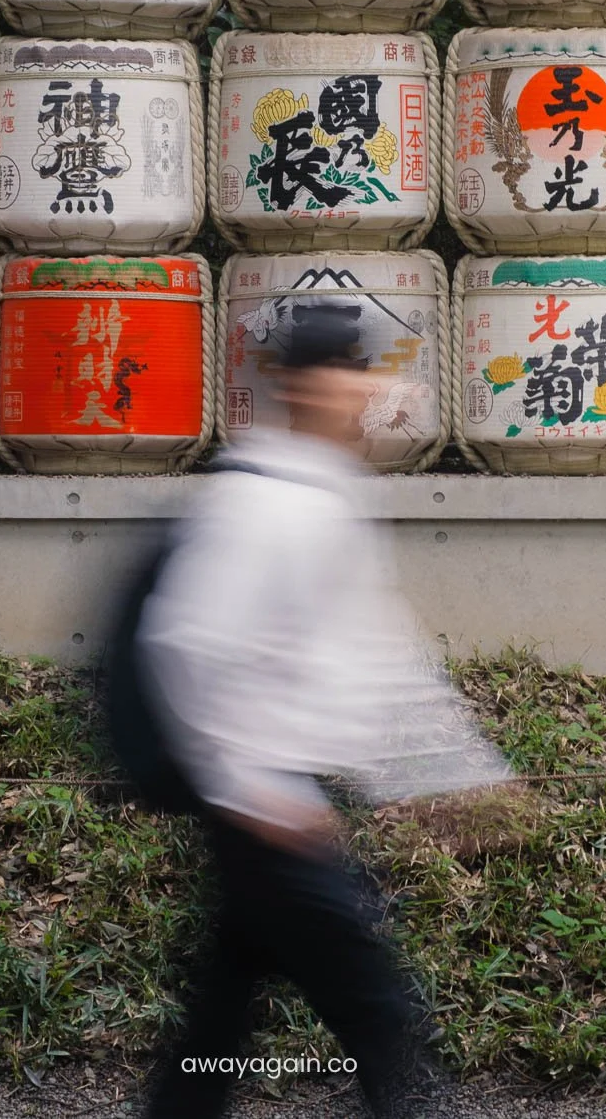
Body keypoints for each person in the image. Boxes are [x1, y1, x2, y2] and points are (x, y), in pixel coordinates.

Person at [136, 304, 513, 1118]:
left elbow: (379, 654)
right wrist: (252, 789)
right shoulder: (264, 501)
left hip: (286, 802)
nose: (360, 391)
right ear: (301, 386)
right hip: (268, 810)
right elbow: (187, 643)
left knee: (216, 1031)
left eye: (364, 371)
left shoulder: (327, 491)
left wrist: (458, 775)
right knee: (377, 1015)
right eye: (343, 372)